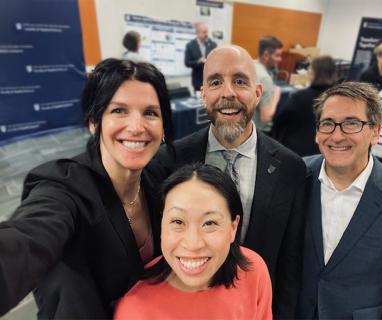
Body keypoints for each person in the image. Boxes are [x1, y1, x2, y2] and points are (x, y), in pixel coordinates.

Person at [0, 58, 174, 319]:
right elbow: (28, 237)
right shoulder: (63, 185)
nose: (137, 127)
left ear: (163, 129)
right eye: (119, 111)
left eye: (150, 113)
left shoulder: (158, 180)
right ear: (94, 122)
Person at [156, 45, 305, 318]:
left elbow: (290, 260)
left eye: (239, 81)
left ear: (258, 93)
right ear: (203, 95)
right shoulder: (169, 161)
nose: (228, 93)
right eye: (215, 82)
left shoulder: (290, 167)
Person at [296, 82, 382, 319]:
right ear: (317, 132)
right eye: (328, 123)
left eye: (352, 123)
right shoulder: (296, 175)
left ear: (375, 132)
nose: (337, 135)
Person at [115, 163, 272, 319]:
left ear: (233, 228)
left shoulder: (253, 271)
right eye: (178, 222)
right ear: (162, 225)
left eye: (210, 223)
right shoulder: (134, 311)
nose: (193, 244)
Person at [271, 55, 337, 156]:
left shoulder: (300, 97)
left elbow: (280, 121)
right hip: (325, 151)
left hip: (297, 151)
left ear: (315, 73)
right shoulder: (338, 98)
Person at [253, 36, 283, 133]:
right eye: (277, 55)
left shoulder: (251, 65)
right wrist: (276, 97)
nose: (280, 59)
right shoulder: (265, 79)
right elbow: (265, 117)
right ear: (266, 55)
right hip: (259, 132)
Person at [184, 22, 217, 92]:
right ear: (198, 33)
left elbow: (217, 61)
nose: (206, 34)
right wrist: (198, 61)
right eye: (204, 32)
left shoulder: (213, 45)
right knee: (199, 102)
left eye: (207, 32)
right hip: (197, 82)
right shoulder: (190, 46)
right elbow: (187, 63)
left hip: (211, 81)